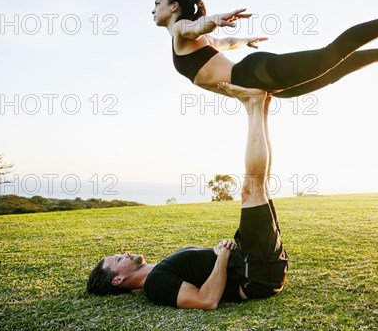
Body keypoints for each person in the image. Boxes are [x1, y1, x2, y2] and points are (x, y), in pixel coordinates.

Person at [87, 83, 287, 310]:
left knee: (260, 187)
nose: (125, 253)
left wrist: (218, 252)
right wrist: (221, 256)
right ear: (117, 280)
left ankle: (261, 106)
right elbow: (206, 300)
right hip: (257, 276)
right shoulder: (155, 285)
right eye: (117, 260)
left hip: (253, 263)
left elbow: (202, 271)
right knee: (251, 190)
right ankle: (254, 104)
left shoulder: (160, 269)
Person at [152, 0, 378, 98]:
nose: (153, 10)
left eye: (157, 3)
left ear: (174, 7)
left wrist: (216, 17)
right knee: (331, 72)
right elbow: (223, 42)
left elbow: (199, 27)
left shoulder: (181, 30)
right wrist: (244, 39)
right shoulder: (193, 39)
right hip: (264, 87)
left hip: (253, 74)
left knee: (329, 55)